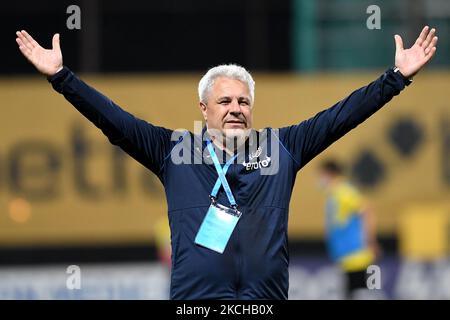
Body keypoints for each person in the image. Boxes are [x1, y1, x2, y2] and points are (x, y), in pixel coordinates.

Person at [15, 26, 438, 299]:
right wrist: (62, 78)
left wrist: (395, 79)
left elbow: (340, 117)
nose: (235, 108)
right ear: (204, 108)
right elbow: (115, 120)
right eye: (224, 101)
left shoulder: (282, 147)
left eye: (243, 101)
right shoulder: (172, 151)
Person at [318, 160, 380, 299]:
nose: (320, 179)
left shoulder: (344, 192)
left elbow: (367, 211)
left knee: (364, 294)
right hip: (347, 257)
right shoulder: (334, 194)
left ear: (330, 173)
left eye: (322, 175)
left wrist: (371, 241)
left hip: (358, 256)